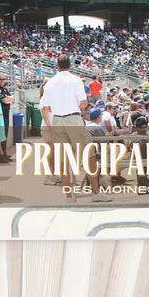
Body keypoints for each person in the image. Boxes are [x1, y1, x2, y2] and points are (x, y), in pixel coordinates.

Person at [40, 54, 112, 203]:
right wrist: (77, 108)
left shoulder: (49, 83)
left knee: (63, 159)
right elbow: (84, 103)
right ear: (70, 66)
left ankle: (68, 197)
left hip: (58, 120)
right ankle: (95, 193)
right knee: (89, 155)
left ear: (57, 66)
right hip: (73, 118)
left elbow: (46, 107)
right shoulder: (76, 80)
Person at [38, 77, 61, 186]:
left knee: (55, 153)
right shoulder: (44, 99)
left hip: (53, 128)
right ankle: (48, 176)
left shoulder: (51, 98)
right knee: (51, 152)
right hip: (48, 128)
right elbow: (45, 116)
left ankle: (53, 174)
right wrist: (52, 130)